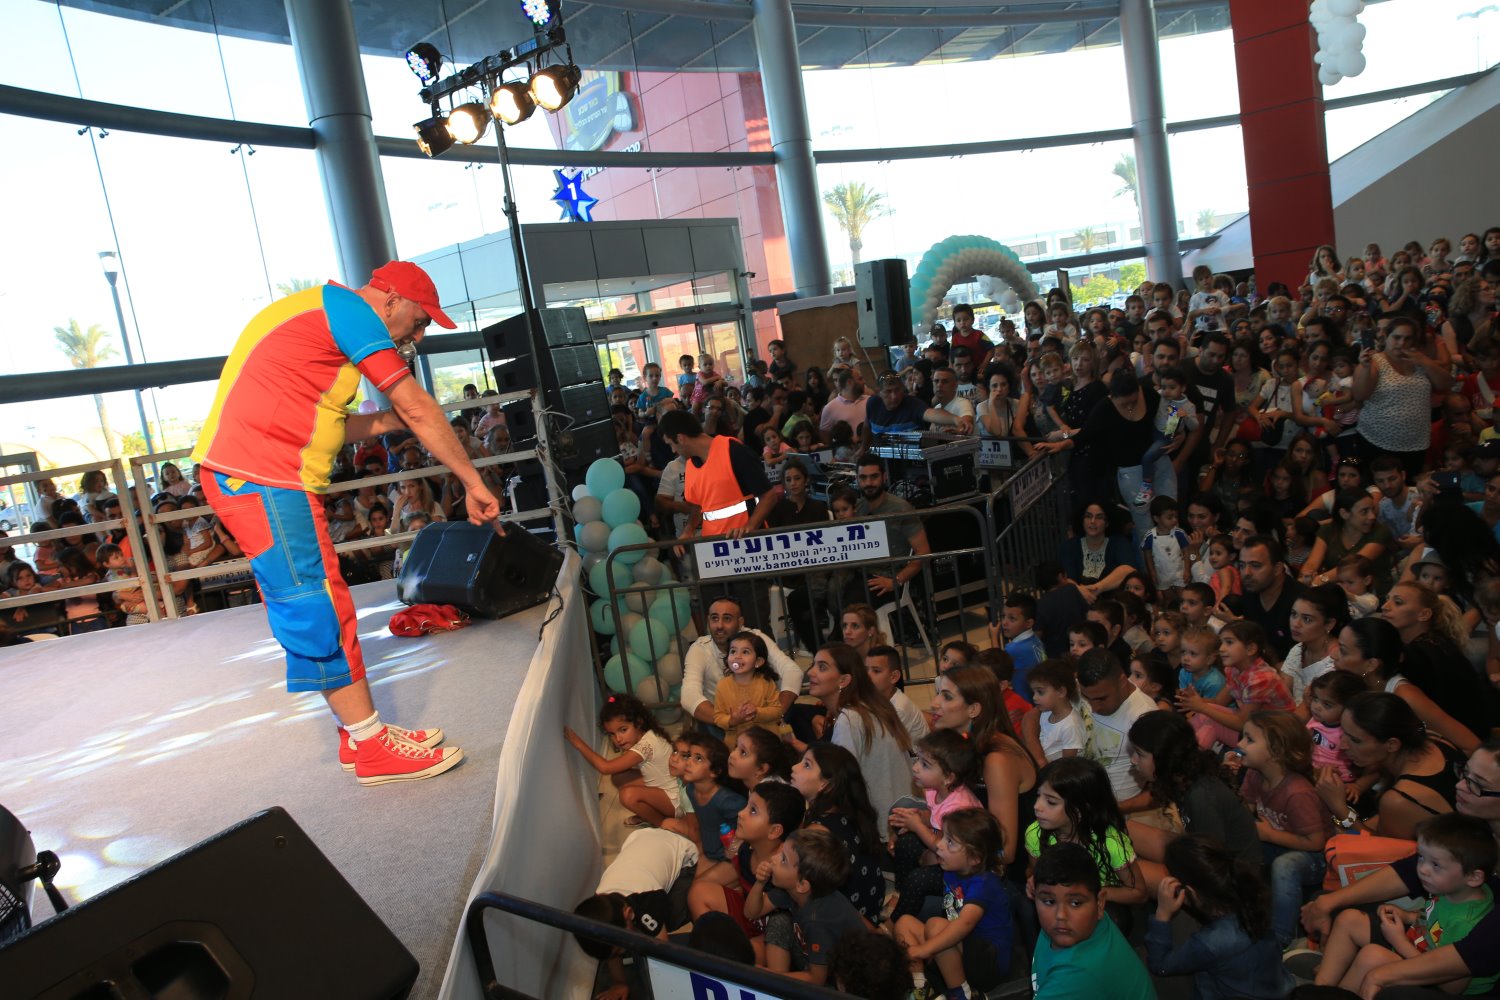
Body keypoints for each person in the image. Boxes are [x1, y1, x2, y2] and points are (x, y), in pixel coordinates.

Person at [191, 261, 497, 784]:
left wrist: (387, 421)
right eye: (420, 322)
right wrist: (472, 481)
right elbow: (418, 406)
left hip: (265, 475)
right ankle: (372, 746)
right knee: (315, 607)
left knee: (325, 600)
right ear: (392, 301)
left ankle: (359, 735)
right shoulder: (351, 313)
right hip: (264, 477)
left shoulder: (326, 311)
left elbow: (328, 421)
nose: (418, 337)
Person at [1314, 812, 1498, 996]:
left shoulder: (1465, 923)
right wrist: (1407, 916)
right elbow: (1435, 917)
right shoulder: (1454, 888)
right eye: (1421, 857)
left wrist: (1399, 941)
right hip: (1418, 947)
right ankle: (1320, 989)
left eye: (1435, 865)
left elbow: (1450, 987)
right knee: (1349, 919)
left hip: (1440, 983)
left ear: (1473, 877)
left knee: (1373, 956)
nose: (1423, 869)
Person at [1146, 834, 1293, 1000]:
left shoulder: (1209, 942)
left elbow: (1161, 965)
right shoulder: (1252, 895)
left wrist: (1162, 914)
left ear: (1191, 892)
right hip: (1275, 987)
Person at [895, 808, 1013, 1000]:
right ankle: (921, 987)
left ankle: (962, 994)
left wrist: (924, 949)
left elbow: (964, 924)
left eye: (949, 842)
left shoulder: (984, 884)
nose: (939, 844)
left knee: (935, 926)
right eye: (943, 836)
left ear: (974, 858)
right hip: (958, 950)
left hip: (988, 964)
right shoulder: (952, 869)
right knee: (904, 923)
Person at [800, 643, 913, 836]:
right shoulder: (868, 706)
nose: (810, 672)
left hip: (884, 828)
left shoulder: (850, 719)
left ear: (843, 680)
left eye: (822, 667)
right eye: (813, 665)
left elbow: (840, 785)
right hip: (900, 816)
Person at [1029, 842, 1158, 1000]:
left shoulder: (1077, 975)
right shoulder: (1087, 924)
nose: (1060, 915)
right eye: (1049, 901)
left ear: (1100, 903)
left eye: (1075, 903)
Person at [747, 827, 867, 985]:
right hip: (813, 954)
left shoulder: (817, 921)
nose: (773, 859)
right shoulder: (794, 889)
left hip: (837, 981)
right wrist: (759, 883)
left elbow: (817, 979)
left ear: (802, 885)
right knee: (779, 921)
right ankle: (777, 984)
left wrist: (767, 975)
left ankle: (776, 983)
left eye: (783, 860)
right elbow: (751, 912)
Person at [679, 596, 803, 729]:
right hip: (723, 722)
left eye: (727, 619)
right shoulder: (700, 648)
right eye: (714, 618)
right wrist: (730, 721)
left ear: (740, 622)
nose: (719, 625)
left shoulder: (755, 638)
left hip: (764, 717)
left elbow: (793, 671)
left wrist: (776, 713)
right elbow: (689, 696)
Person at [1354, 316, 1455, 478]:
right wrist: (1365, 368)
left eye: (1407, 338)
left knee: (1410, 487)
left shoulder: (1421, 362)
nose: (1401, 343)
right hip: (1377, 441)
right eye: (1397, 337)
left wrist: (1425, 362)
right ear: (1386, 337)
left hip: (1416, 443)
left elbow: (1445, 384)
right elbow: (1360, 395)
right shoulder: (1374, 362)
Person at [657, 409, 778, 540]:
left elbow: (769, 495)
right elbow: (698, 506)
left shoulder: (734, 450)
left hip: (747, 543)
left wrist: (749, 527)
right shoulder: (691, 464)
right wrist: (689, 531)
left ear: (680, 439)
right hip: (714, 545)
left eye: (671, 444)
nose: (673, 450)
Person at [565, 693, 681, 828]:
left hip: (675, 802)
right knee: (619, 777)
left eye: (623, 730)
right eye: (612, 734)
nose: (618, 739)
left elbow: (605, 768)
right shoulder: (647, 734)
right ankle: (649, 813)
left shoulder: (645, 746)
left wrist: (577, 743)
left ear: (639, 722)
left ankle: (663, 824)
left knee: (627, 796)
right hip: (664, 789)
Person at [1075, 648, 1157, 809]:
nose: (1094, 707)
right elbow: (1032, 717)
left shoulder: (1145, 715)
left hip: (1114, 809)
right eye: (1086, 697)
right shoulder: (1080, 686)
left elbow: (1164, 788)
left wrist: (1114, 810)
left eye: (1102, 698)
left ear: (1122, 681)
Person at [1225, 534, 1304, 664]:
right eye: (1242, 565)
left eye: (1255, 566)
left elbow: (1305, 659)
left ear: (1277, 568)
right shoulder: (1250, 590)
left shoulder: (1301, 601)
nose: (1246, 573)